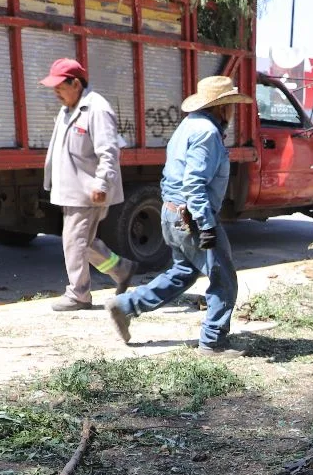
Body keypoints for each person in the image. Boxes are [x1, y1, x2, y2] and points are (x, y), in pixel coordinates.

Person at [107, 76, 251, 353]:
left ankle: (126, 306)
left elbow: (173, 174)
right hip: (193, 217)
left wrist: (174, 210)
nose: (233, 111)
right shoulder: (207, 133)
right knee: (224, 278)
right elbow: (194, 182)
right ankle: (213, 341)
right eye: (230, 105)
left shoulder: (188, 125)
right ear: (221, 107)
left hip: (173, 212)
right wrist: (206, 225)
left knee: (183, 272)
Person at [40, 57, 135, 312]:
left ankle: (78, 294)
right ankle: (120, 269)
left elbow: (109, 151)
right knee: (84, 241)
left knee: (74, 241)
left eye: (60, 86)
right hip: (70, 189)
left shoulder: (97, 109)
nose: (56, 92)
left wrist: (102, 184)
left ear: (76, 83)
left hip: (87, 191)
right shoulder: (69, 109)